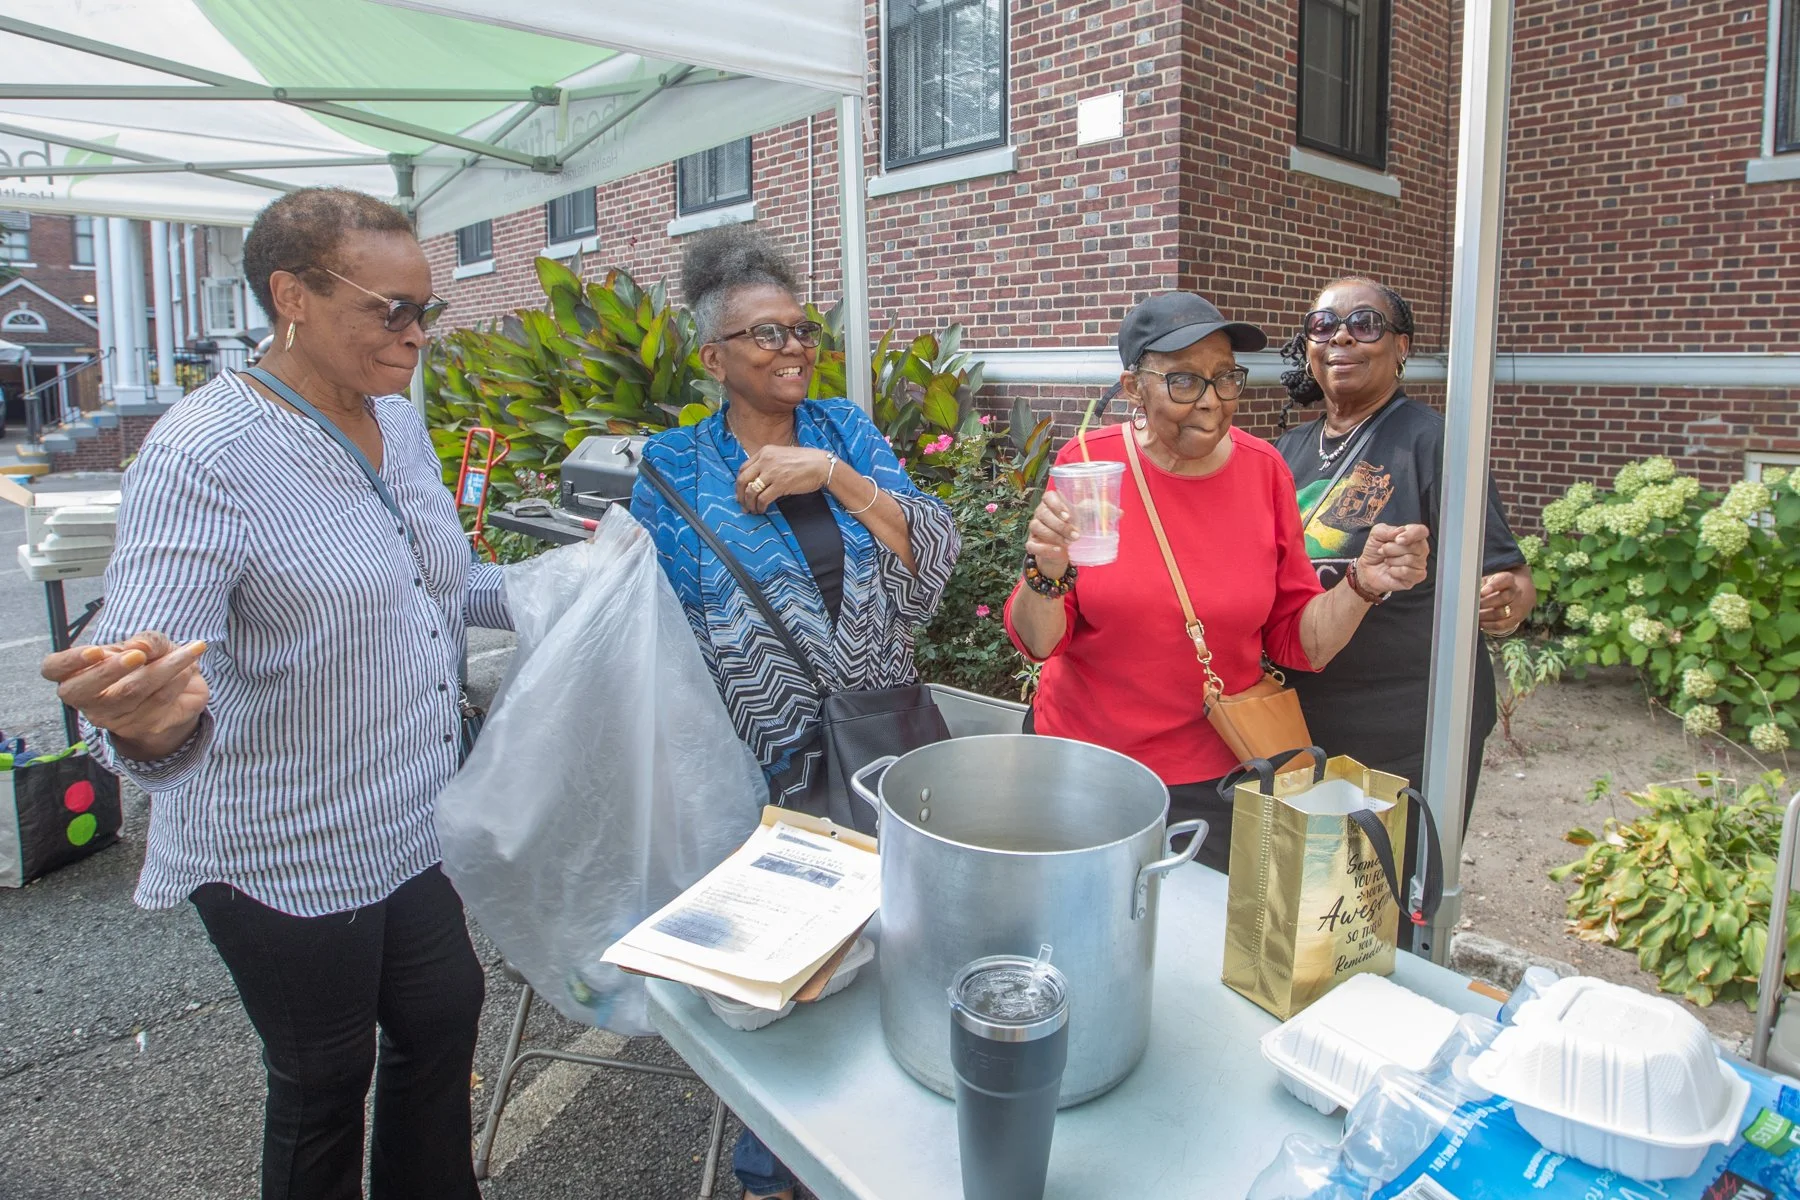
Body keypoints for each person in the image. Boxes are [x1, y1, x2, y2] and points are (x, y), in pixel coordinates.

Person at [41, 188, 506, 1200]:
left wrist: (596, 593)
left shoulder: (395, 418)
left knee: (441, 1019)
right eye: (392, 311)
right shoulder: (204, 452)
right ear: (290, 294)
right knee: (324, 1079)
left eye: (427, 310)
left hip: (408, 814)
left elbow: (443, 579)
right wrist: (150, 724)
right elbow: (149, 674)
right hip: (280, 842)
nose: (417, 335)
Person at [631, 226, 958, 1200]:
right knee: (781, 982)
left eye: (800, 330)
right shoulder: (672, 469)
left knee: (890, 956)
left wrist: (836, 480)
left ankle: (872, 1156)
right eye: (762, 334)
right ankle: (769, 1169)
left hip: (873, 745)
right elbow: (647, 623)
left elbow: (928, 564)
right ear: (712, 357)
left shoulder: (845, 431)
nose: (789, 349)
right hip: (752, 767)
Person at [1005, 292, 1432, 872]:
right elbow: (1038, 642)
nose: (1211, 402)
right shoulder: (1087, 463)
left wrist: (1362, 584)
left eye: (1225, 378)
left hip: (1218, 776)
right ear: (1135, 388)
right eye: (1184, 382)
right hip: (1084, 766)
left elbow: (1299, 644)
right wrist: (1045, 571)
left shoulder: (1265, 472)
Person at [1272, 276, 1532, 945]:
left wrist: (1505, 602)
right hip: (1298, 717)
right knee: (1303, 908)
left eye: (1363, 323)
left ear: (1400, 347)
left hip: (1405, 730)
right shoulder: (1283, 455)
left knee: (1378, 912)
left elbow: (1506, 572)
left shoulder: (1434, 443)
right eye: (1323, 325)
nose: (1340, 338)